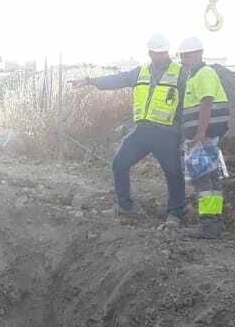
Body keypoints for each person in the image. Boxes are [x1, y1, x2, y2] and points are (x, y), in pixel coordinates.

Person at [77, 34, 187, 225]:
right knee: (119, 163)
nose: (160, 56)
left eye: (163, 53)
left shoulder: (181, 73)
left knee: (173, 172)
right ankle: (125, 206)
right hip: (143, 131)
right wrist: (90, 81)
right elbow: (118, 79)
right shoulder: (140, 72)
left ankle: (175, 214)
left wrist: (185, 131)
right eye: (156, 53)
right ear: (150, 53)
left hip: (167, 133)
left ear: (167, 52)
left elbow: (189, 102)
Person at [177, 36, 230, 240]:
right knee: (210, 177)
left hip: (205, 136)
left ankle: (208, 225)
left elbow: (207, 103)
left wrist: (200, 132)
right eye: (182, 56)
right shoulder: (194, 75)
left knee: (202, 178)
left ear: (198, 53)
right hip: (206, 135)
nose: (183, 60)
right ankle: (213, 223)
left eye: (187, 55)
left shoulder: (204, 73)